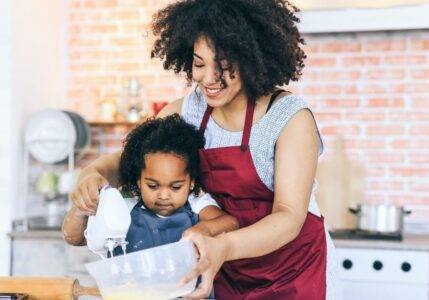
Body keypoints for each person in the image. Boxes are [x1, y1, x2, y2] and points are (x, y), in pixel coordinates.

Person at [69, 0, 336, 298]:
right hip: (220, 268)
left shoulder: (288, 118)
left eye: (223, 67)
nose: (208, 79)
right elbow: (130, 160)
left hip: (292, 269)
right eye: (199, 64)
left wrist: (223, 245)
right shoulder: (190, 112)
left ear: (252, 59)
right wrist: (92, 173)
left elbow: (288, 217)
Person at [62, 115, 239, 254]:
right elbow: (74, 238)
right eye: (153, 186)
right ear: (139, 181)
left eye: (175, 187)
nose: (163, 195)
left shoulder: (196, 202)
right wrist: (81, 209)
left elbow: (230, 223)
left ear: (191, 182)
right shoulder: (126, 204)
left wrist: (203, 229)